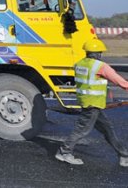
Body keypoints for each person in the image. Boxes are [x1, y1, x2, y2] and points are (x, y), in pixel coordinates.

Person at [55, 39, 128, 167]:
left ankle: (123, 155)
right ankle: (64, 152)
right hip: (92, 105)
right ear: (99, 53)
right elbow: (119, 81)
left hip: (88, 102)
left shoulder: (79, 64)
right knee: (81, 131)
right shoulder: (100, 66)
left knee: (107, 130)